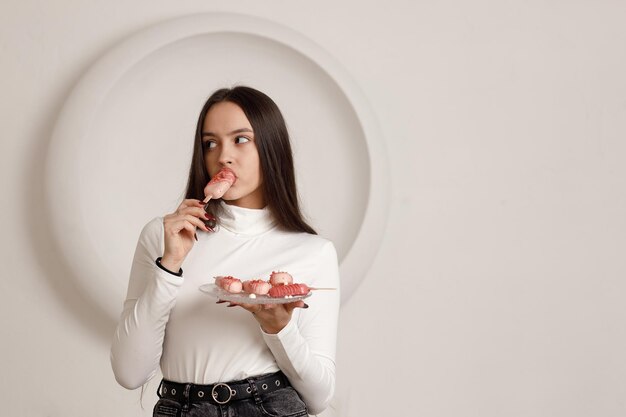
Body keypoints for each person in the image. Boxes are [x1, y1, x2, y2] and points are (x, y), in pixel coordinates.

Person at [110, 86, 341, 417]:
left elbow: (319, 397)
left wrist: (279, 328)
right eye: (210, 143)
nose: (223, 156)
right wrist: (170, 265)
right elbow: (128, 373)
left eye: (241, 139)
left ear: (271, 147)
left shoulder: (313, 252)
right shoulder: (162, 236)